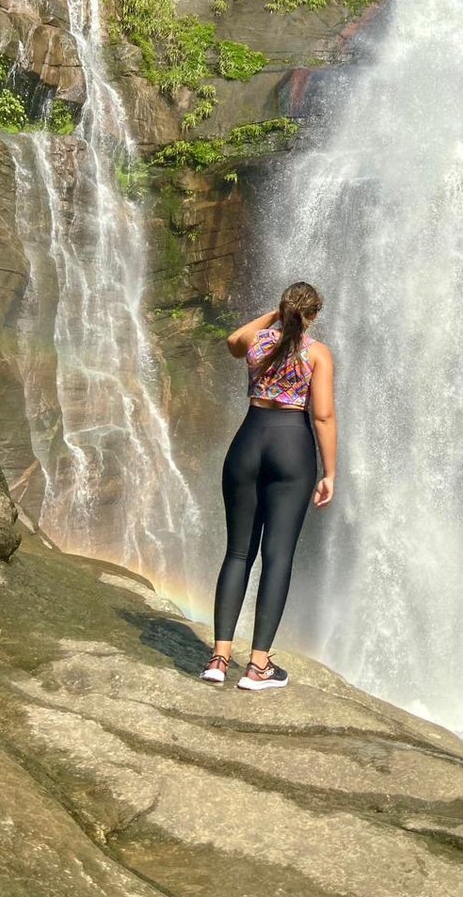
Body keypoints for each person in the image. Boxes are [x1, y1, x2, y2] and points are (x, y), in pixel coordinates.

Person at [200, 280, 336, 691]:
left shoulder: (258, 345)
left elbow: (233, 340)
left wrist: (274, 317)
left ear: (281, 311)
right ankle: (258, 667)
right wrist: (330, 472)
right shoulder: (316, 353)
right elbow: (324, 417)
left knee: (238, 551)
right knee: (277, 556)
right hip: (291, 446)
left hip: (248, 441)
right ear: (312, 315)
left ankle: (219, 659)